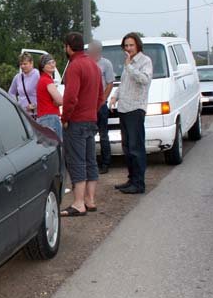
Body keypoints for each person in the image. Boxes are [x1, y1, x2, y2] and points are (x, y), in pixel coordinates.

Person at [59, 32, 105, 217]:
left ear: (69, 47)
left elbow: (70, 97)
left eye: (65, 46)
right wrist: (92, 110)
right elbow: (101, 95)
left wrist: (65, 118)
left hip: (77, 121)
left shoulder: (74, 66)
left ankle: (78, 203)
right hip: (91, 119)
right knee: (90, 160)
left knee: (76, 161)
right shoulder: (93, 65)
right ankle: (90, 200)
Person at [110, 32, 153, 195]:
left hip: (136, 108)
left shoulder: (144, 61)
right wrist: (115, 96)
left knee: (136, 148)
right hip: (124, 108)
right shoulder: (127, 63)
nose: (128, 48)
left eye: (131, 45)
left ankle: (139, 183)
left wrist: (129, 66)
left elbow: (144, 80)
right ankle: (131, 180)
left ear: (138, 45)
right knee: (127, 148)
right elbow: (124, 84)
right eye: (126, 46)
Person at [88, 39, 115, 173]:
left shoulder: (106, 64)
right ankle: (92, 163)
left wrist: (102, 99)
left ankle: (105, 163)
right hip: (88, 105)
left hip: (101, 105)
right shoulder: (86, 63)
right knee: (90, 135)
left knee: (103, 134)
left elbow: (110, 83)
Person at [35, 54, 63, 140]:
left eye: (53, 62)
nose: (52, 65)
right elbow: (60, 100)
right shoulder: (47, 80)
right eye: (48, 63)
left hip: (42, 117)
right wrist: (56, 102)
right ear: (43, 67)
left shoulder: (42, 79)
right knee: (58, 147)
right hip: (50, 118)